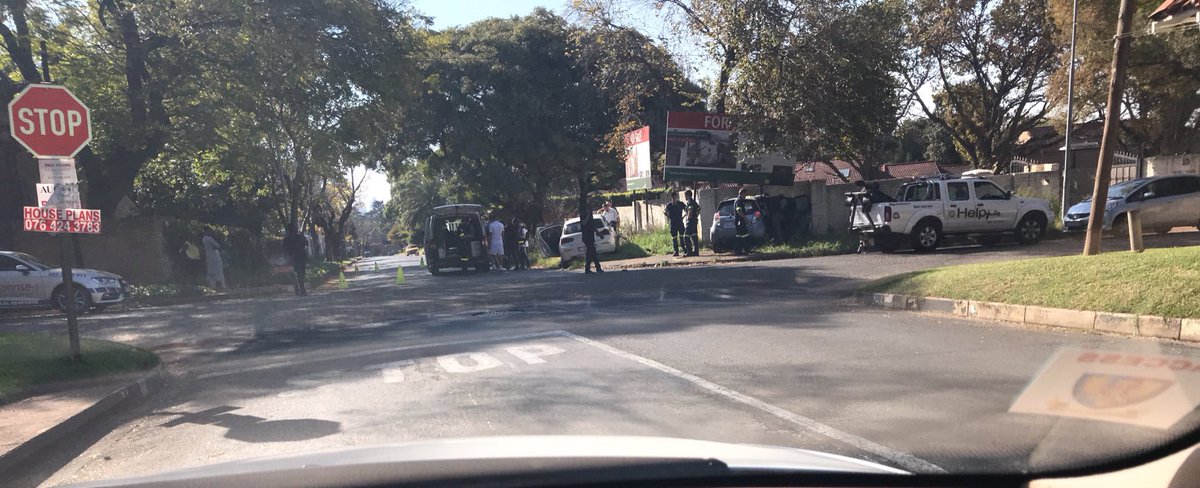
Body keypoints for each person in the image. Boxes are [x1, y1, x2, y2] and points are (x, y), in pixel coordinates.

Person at [283, 224, 309, 296]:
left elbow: (284, 249)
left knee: (295, 273)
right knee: (301, 273)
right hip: (301, 256)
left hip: (293, 257)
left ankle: (297, 289)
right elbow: (306, 243)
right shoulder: (299, 237)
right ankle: (302, 289)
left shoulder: (286, 239)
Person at [663, 192, 686, 257]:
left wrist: (683, 216)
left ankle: (684, 250)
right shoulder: (669, 205)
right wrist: (669, 216)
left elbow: (686, 209)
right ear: (672, 197)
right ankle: (676, 251)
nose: (674, 198)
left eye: (675, 197)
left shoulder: (680, 204)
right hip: (673, 223)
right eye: (673, 197)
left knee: (682, 237)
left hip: (680, 222)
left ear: (677, 197)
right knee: (674, 238)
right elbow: (664, 211)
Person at [733, 188, 751, 255]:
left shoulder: (738, 201)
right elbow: (739, 210)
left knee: (738, 237)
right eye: (745, 194)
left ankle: (737, 251)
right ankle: (747, 251)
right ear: (742, 193)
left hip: (738, 222)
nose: (746, 196)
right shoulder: (739, 201)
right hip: (740, 221)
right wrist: (745, 218)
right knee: (745, 235)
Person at [683, 190, 701, 256]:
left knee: (686, 236)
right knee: (694, 236)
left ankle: (689, 252)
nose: (685, 197)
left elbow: (690, 210)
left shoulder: (689, 202)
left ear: (688, 195)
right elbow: (699, 209)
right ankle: (696, 252)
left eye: (685, 195)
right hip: (694, 221)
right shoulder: (694, 202)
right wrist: (695, 216)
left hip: (690, 222)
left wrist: (688, 217)